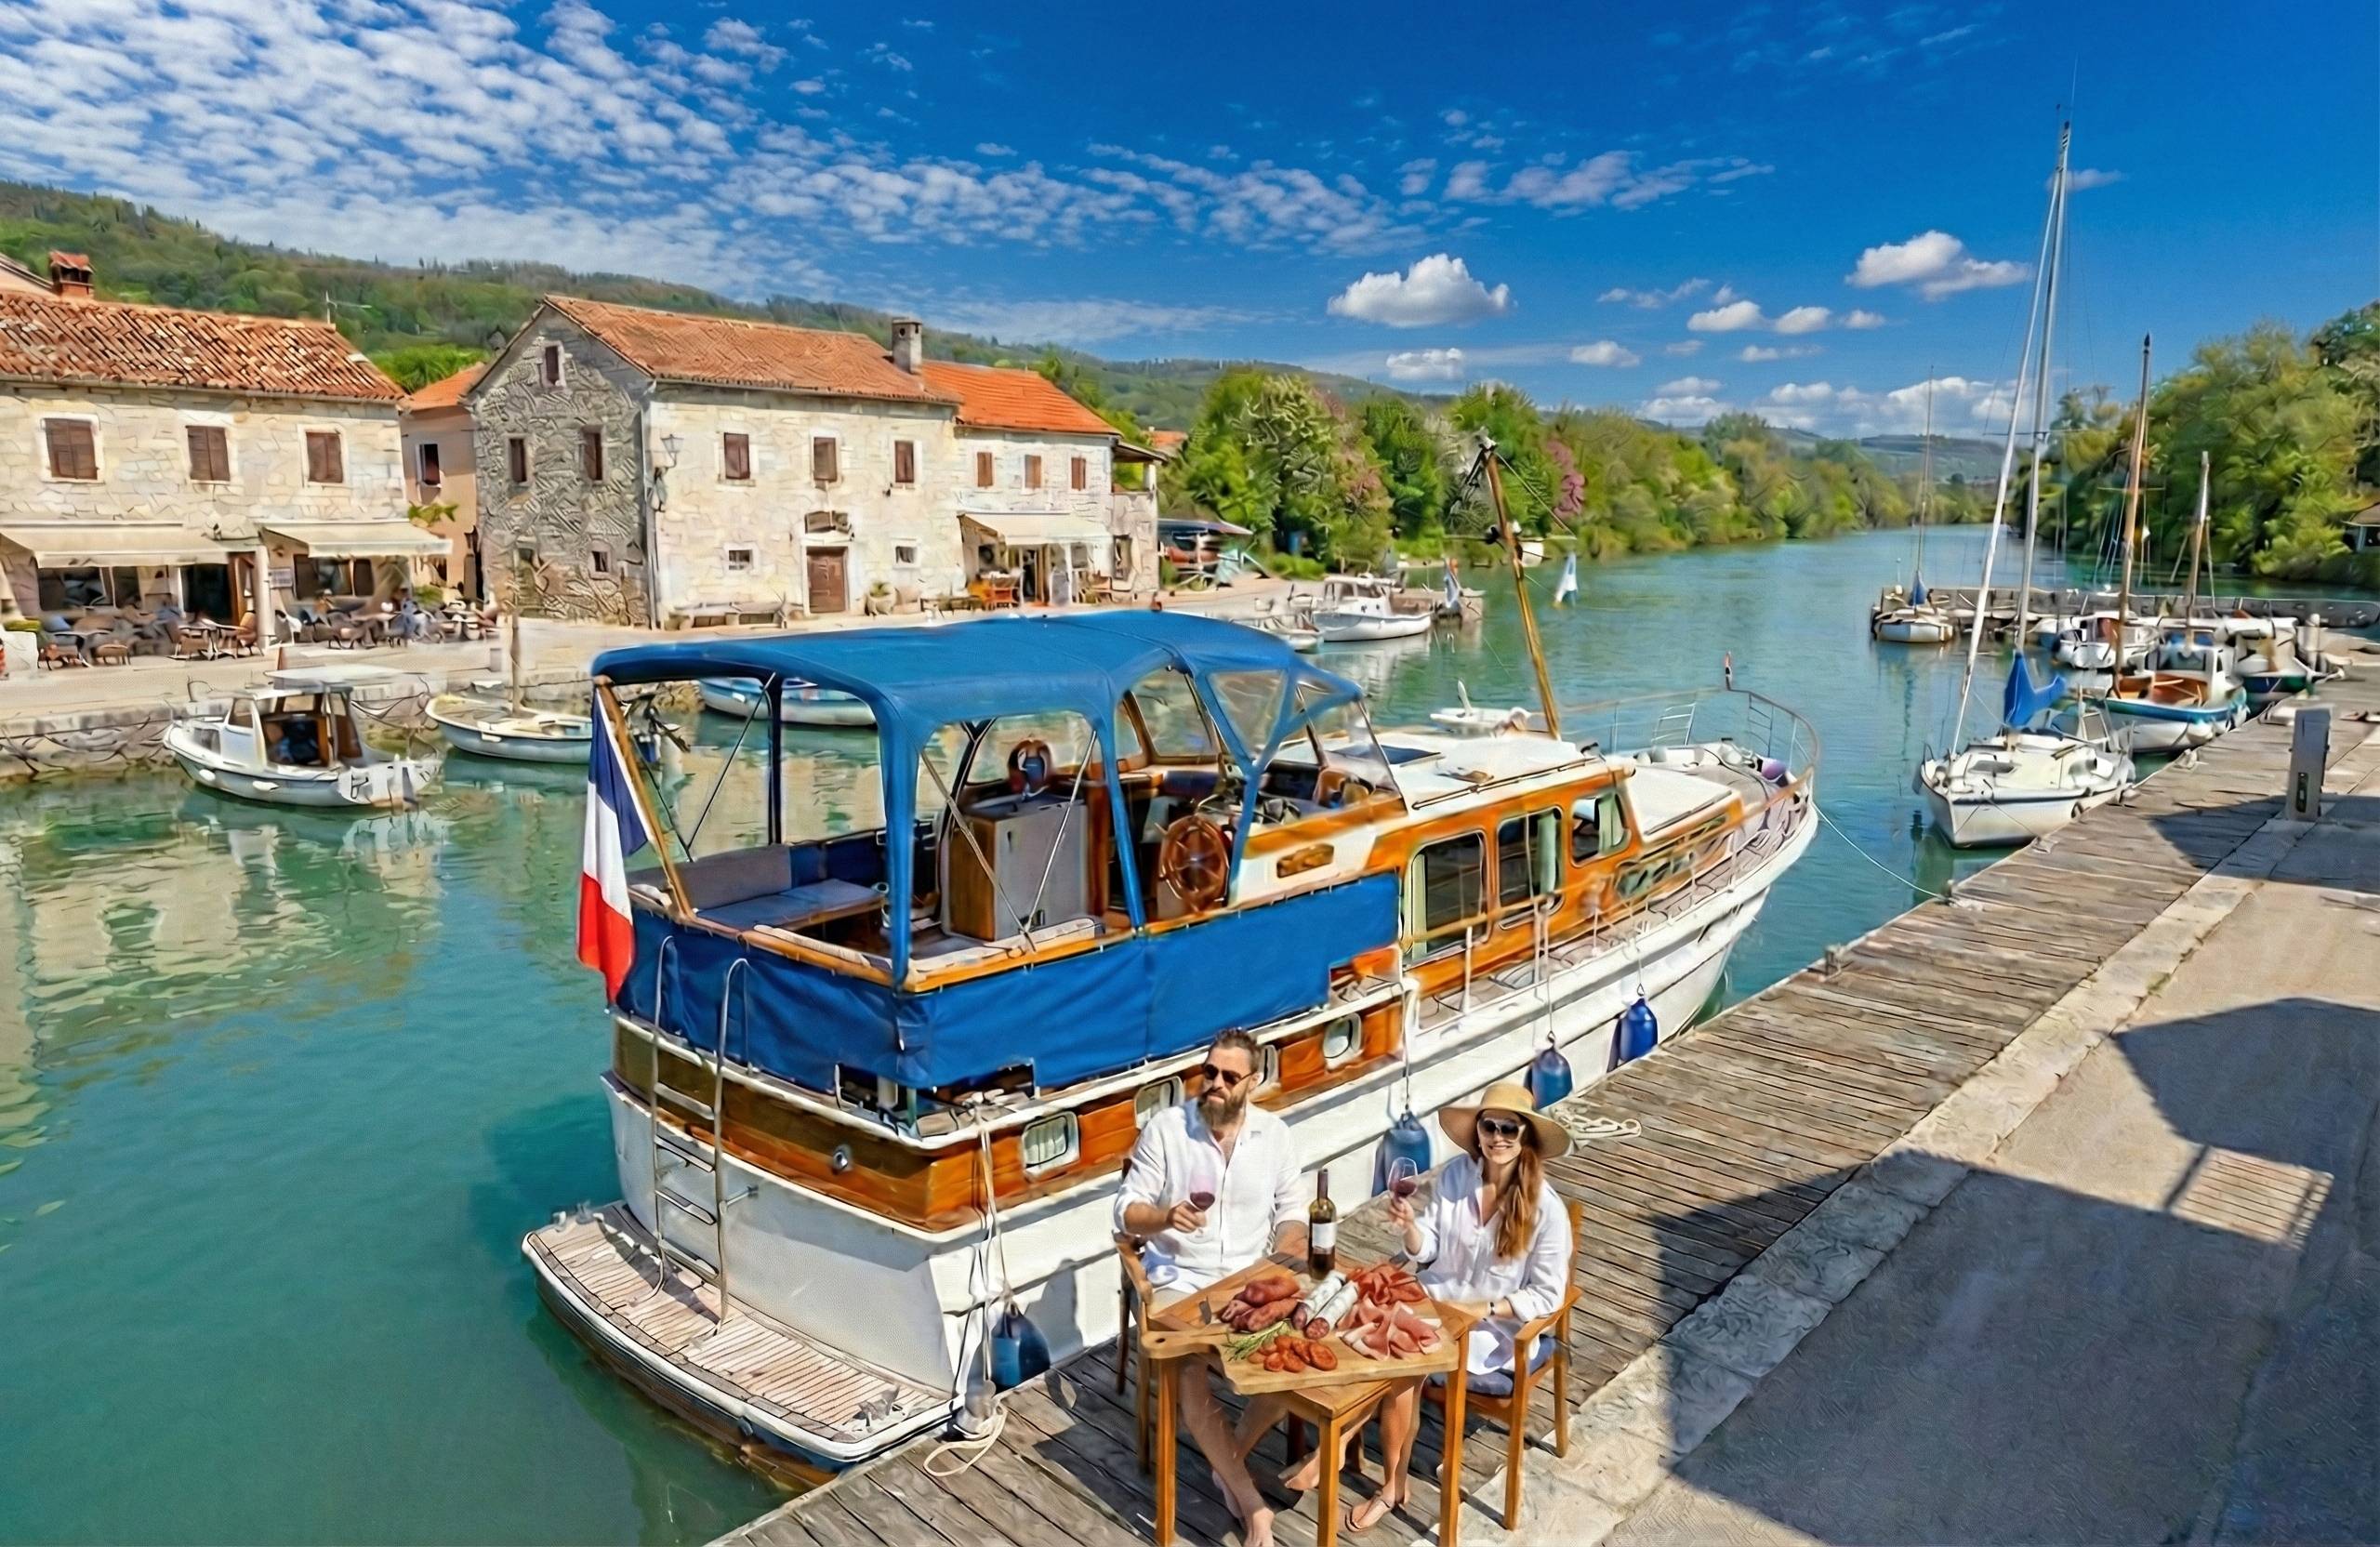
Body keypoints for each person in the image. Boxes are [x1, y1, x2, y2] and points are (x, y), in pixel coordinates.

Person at [1290, 1080, 1572, 1534]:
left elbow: (1548, 1295)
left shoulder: (1547, 1210)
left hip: (1489, 1330)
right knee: (1360, 1335)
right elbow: (1429, 1250)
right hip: (1431, 1303)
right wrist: (1409, 1229)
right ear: (1477, 1130)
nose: (1498, 1137)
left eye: (1510, 1130)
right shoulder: (1457, 1177)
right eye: (1490, 1126)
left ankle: (1362, 1468)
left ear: (1526, 1140)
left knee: (1402, 1363)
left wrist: (1486, 1308)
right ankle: (1364, 1464)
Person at [1115, 1030, 1307, 1547]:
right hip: (1179, 1283)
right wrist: (1163, 1216)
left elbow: (1292, 1211)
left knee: (1297, 1360)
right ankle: (1254, 1509)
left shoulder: (1275, 1135)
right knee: (1192, 1381)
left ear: (1253, 1081)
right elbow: (1125, 1210)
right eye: (1209, 1073)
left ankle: (1229, 1460)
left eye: (1228, 1077)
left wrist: (1287, 1253)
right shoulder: (1167, 1129)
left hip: (1248, 1281)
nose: (1215, 1084)